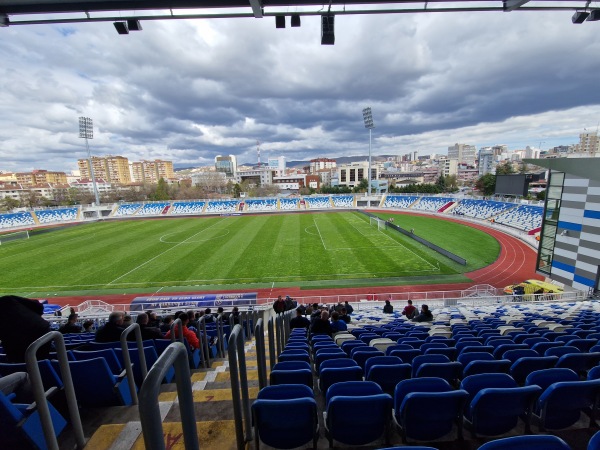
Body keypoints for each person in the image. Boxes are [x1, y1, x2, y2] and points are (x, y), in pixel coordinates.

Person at [0, 295, 51, 363]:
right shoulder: (7, 299)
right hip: (39, 331)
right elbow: (37, 306)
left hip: (18, 339)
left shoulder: (7, 300)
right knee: (40, 361)